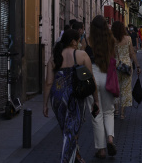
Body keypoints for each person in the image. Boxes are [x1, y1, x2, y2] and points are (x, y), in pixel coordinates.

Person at [43, 29, 100, 163]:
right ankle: (66, 159)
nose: (80, 42)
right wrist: (96, 100)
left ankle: (76, 156)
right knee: (72, 130)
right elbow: (91, 80)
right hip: (74, 96)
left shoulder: (54, 57)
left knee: (67, 130)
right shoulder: (82, 55)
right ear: (73, 41)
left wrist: (45, 104)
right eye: (79, 39)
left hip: (57, 97)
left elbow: (48, 82)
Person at [88, 16, 117, 159]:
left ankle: (101, 149)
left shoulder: (87, 41)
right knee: (109, 111)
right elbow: (113, 58)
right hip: (107, 76)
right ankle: (110, 138)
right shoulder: (111, 40)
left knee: (96, 113)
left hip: (92, 75)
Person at [111, 21, 141, 120]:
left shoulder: (112, 39)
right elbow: (132, 53)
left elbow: (111, 54)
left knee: (116, 88)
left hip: (116, 65)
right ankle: (123, 113)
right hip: (127, 66)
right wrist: (137, 65)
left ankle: (116, 110)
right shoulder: (128, 39)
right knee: (125, 88)